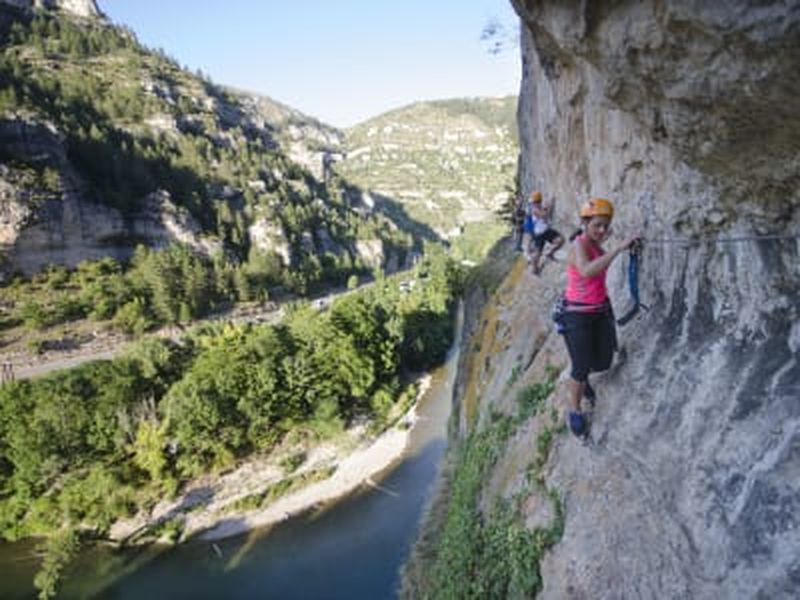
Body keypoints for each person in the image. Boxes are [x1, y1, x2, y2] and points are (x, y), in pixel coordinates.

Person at [559, 197, 639, 440]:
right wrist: (618, 249)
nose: (602, 230)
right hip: (577, 315)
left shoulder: (596, 245)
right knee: (581, 367)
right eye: (597, 225)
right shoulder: (579, 245)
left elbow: (600, 267)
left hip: (598, 310)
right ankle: (574, 409)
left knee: (604, 362)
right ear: (585, 224)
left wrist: (626, 248)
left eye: (606, 225)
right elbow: (586, 270)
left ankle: (582, 381)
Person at [529, 192, 564, 275]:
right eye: (534, 202)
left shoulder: (540, 207)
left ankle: (550, 254)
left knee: (560, 240)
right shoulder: (535, 209)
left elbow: (548, 215)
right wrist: (550, 204)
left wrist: (548, 206)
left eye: (535, 202)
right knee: (538, 253)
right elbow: (545, 215)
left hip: (546, 231)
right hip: (539, 234)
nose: (534, 204)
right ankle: (534, 269)